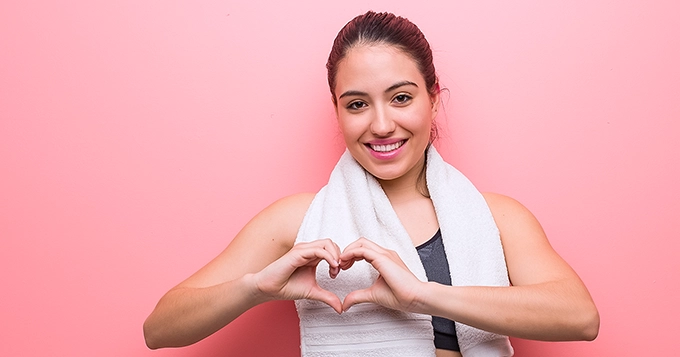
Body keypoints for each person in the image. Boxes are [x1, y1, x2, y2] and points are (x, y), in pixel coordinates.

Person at [144, 11, 599, 357]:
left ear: (433, 100)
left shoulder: (498, 217)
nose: (382, 125)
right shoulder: (297, 220)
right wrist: (256, 287)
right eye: (357, 104)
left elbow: (580, 318)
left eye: (401, 97)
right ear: (337, 110)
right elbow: (159, 329)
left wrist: (421, 295)